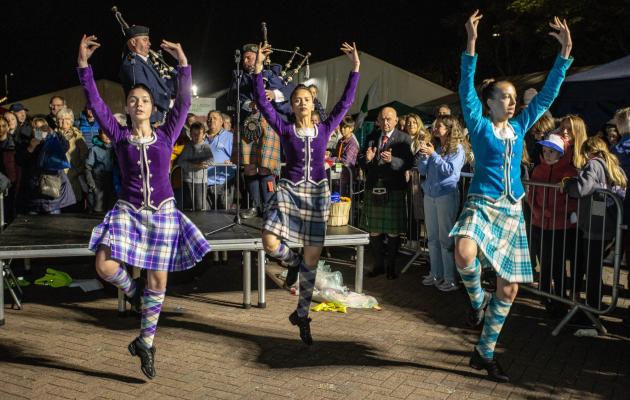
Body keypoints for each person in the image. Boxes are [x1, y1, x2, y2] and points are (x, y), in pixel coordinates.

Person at [77, 34, 210, 379]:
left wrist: (183, 65)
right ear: (126, 107)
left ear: (153, 107)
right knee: (104, 266)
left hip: (163, 211)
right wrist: (83, 67)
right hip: (129, 210)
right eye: (133, 100)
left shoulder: (166, 135)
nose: (138, 104)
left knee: (159, 278)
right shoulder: (119, 136)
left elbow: (182, 103)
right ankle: (135, 292)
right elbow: (94, 101)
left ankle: (146, 343)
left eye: (145, 100)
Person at [451, 11, 573, 382]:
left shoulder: (520, 126)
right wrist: (471, 44)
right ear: (488, 102)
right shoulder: (479, 123)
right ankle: (476, 302)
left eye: (514, 98)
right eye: (504, 97)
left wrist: (564, 54)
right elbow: (464, 89)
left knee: (511, 287)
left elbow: (549, 92)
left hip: (510, 210)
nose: (512, 102)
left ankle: (484, 353)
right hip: (481, 203)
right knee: (464, 251)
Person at [252, 41, 360, 345]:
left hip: (316, 195)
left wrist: (355, 69)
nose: (301, 103)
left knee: (312, 259)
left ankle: (301, 314)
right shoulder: (285, 129)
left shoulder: (325, 129)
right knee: (270, 241)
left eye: (306, 99)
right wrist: (259, 68)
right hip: (289, 190)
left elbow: (345, 105)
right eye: (297, 99)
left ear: (313, 105)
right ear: (293, 104)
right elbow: (262, 102)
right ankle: (292, 261)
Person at [231, 43, 295, 219]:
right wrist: (247, 104)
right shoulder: (239, 77)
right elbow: (234, 98)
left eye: (249, 57)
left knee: (266, 168)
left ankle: (269, 207)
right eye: (244, 58)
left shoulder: (273, 75)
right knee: (250, 168)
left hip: (269, 124)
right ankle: (254, 207)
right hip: (247, 125)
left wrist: (275, 95)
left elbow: (289, 92)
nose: (245, 61)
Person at [564, 136, 626, 312]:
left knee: (592, 270)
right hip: (607, 224)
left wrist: (568, 184)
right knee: (595, 267)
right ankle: (595, 306)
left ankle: (593, 310)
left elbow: (582, 188)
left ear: (588, 152)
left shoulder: (594, 164)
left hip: (595, 226)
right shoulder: (613, 165)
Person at [361, 106, 413, 280]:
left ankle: (391, 266)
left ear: (396, 120)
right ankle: (378, 265)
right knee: (374, 230)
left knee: (392, 232)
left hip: (393, 188)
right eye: (382, 119)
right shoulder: (371, 137)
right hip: (373, 186)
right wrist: (366, 160)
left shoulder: (404, 139)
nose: (386, 122)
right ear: (377, 121)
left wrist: (393, 161)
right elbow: (362, 162)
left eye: (389, 118)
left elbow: (407, 163)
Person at [527, 133, 577, 315]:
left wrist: (557, 212)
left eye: (552, 151)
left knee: (558, 263)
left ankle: (560, 298)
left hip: (559, 226)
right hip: (540, 223)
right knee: (545, 262)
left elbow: (573, 201)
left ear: (561, 154)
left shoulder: (568, 173)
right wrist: (537, 211)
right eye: (545, 151)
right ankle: (546, 295)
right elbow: (531, 195)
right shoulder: (538, 170)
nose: (547, 155)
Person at [418, 115, 468, 292]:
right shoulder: (436, 146)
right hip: (430, 194)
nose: (435, 128)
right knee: (432, 237)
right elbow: (423, 170)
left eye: (439, 126)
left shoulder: (458, 149)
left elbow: (450, 172)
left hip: (446, 195)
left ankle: (450, 278)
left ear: (449, 129)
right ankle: (435, 273)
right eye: (435, 125)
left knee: (445, 238)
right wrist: (425, 156)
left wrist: (434, 156)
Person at [15, 117, 76, 214]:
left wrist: (53, 134)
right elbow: (20, 161)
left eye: (43, 128)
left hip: (53, 190)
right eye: (36, 128)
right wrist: (31, 147)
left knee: (53, 220)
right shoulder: (27, 143)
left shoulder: (54, 141)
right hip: (34, 192)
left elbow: (65, 146)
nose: (40, 131)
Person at [119, 25, 177, 124]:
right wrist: (169, 102)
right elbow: (144, 91)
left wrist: (180, 69)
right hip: (147, 122)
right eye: (145, 40)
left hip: (155, 119)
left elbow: (164, 86)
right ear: (133, 42)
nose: (149, 44)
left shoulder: (147, 63)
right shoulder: (132, 64)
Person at [56, 107, 88, 209]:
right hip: (57, 178)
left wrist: (76, 171)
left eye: (67, 119)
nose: (64, 121)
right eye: (61, 118)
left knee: (73, 209)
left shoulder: (77, 135)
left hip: (73, 177)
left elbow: (85, 156)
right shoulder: (53, 135)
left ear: (72, 121)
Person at [178, 122, 213, 210]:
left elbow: (211, 161)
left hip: (201, 181)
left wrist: (202, 164)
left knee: (200, 206)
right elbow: (181, 162)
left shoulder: (206, 147)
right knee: (188, 206)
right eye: (194, 134)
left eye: (199, 134)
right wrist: (195, 165)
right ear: (190, 134)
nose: (196, 136)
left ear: (204, 134)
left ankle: (200, 223)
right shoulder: (187, 146)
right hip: (187, 180)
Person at [205, 111, 235, 210]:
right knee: (204, 216)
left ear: (222, 121)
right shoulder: (201, 137)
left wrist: (232, 162)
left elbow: (238, 158)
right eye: (209, 118)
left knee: (224, 216)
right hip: (203, 183)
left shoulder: (230, 137)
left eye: (214, 118)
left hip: (223, 183)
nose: (211, 120)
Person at [85, 129, 115, 213]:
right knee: (98, 210)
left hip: (113, 182)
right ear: (99, 134)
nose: (107, 136)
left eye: (109, 133)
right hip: (98, 182)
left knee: (111, 210)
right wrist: (92, 184)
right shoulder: (94, 149)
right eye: (104, 133)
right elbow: (88, 168)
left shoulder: (116, 147)